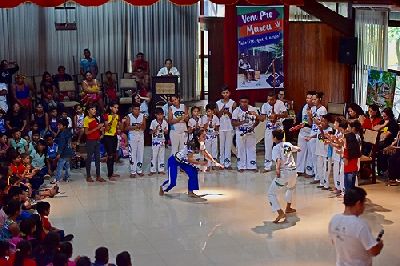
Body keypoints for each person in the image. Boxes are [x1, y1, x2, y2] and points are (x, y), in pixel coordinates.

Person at [159, 129, 223, 198]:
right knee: (172, 182)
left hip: (184, 162)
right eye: (203, 136)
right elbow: (190, 159)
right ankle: (163, 187)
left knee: (193, 172)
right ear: (198, 137)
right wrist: (200, 163)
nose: (205, 137)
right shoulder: (192, 144)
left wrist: (215, 162)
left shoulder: (201, 144)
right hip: (174, 160)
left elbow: (206, 154)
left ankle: (191, 191)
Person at [329, 187, 383, 265]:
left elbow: (334, 241)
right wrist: (380, 244)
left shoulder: (334, 220)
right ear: (358, 204)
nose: (364, 207)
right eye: (364, 203)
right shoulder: (360, 225)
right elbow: (373, 251)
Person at [267, 129, 300, 223]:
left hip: (284, 172)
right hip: (293, 171)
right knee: (291, 188)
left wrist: (277, 170)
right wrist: (298, 148)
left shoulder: (276, 148)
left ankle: (280, 212)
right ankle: (288, 208)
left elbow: (278, 160)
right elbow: (296, 148)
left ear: (275, 138)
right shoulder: (288, 144)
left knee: (271, 193)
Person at [258, 92, 288, 172]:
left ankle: (282, 165)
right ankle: (267, 166)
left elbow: (286, 114)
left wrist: (277, 115)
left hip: (278, 128)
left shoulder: (280, 103)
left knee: (281, 147)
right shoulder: (265, 105)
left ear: (275, 99)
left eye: (272, 99)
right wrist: (258, 116)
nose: (270, 101)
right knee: (268, 147)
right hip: (269, 128)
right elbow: (263, 118)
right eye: (268, 99)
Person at [232, 95, 259, 172]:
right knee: (240, 149)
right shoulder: (236, 111)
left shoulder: (253, 109)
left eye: (245, 102)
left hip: (250, 131)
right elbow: (233, 123)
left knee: (251, 148)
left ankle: (252, 165)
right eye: (242, 102)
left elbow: (257, 120)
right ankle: (241, 166)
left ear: (248, 102)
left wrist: (253, 126)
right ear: (239, 102)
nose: (244, 103)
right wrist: (243, 122)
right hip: (240, 131)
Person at [307, 92, 327, 184]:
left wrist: (313, 116)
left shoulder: (323, 110)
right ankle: (316, 174)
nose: (313, 101)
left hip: (318, 133)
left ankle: (319, 176)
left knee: (317, 156)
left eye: (315, 99)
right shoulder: (313, 108)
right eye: (312, 99)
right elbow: (311, 123)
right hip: (313, 131)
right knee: (312, 155)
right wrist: (309, 116)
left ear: (319, 99)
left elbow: (320, 123)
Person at [83, 105, 105, 183]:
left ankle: (98, 176)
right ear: (88, 111)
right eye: (92, 109)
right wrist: (97, 128)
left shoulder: (95, 119)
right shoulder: (86, 119)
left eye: (95, 109)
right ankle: (88, 176)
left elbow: (98, 129)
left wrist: (101, 131)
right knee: (89, 158)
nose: (94, 110)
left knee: (97, 159)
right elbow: (86, 132)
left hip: (97, 140)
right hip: (90, 141)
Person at [295, 91, 315, 176]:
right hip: (303, 131)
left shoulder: (315, 109)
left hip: (311, 133)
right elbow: (300, 118)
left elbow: (313, 123)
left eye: (310, 98)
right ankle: (299, 170)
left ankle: (309, 171)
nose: (308, 100)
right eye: (307, 98)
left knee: (310, 153)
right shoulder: (304, 106)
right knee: (300, 151)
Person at [216, 86, 236, 169]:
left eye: (227, 93)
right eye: (224, 93)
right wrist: (223, 109)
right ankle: (221, 163)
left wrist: (229, 113)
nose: (225, 94)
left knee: (228, 145)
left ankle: (228, 163)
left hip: (229, 127)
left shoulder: (233, 103)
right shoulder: (218, 103)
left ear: (229, 93)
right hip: (221, 127)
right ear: (221, 94)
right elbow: (218, 115)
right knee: (222, 145)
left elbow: (234, 116)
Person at [375, 108, 399, 175]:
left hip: (389, 142)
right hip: (379, 142)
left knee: (381, 151)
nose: (383, 117)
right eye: (382, 116)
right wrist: (383, 125)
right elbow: (374, 128)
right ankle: (379, 170)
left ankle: (384, 170)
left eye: (385, 116)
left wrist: (380, 130)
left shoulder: (393, 123)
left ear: (389, 115)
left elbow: (384, 135)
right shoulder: (383, 121)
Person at [126, 102, 146, 178]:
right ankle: (133, 171)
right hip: (132, 136)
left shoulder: (142, 116)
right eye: (135, 109)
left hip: (140, 135)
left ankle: (139, 170)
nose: (137, 111)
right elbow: (126, 128)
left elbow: (144, 128)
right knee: (132, 154)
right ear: (132, 109)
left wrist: (141, 126)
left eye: (138, 109)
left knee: (140, 153)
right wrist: (135, 127)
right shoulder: (129, 116)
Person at [313, 114, 333, 190]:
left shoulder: (330, 129)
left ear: (328, 122)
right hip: (319, 151)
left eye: (324, 121)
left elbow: (324, 138)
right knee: (319, 167)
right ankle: (321, 182)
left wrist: (321, 130)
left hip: (326, 153)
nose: (322, 122)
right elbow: (318, 136)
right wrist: (310, 137)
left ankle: (326, 184)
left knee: (326, 169)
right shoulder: (320, 128)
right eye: (321, 121)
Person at [103, 102, 120, 181]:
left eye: (117, 108)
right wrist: (112, 119)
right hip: (108, 137)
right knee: (109, 156)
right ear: (110, 108)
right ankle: (109, 175)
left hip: (114, 137)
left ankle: (112, 172)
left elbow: (118, 127)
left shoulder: (117, 116)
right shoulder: (106, 116)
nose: (116, 109)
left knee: (113, 155)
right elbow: (106, 128)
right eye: (115, 107)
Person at [149, 108, 168, 175]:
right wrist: (155, 129)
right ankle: (152, 170)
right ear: (155, 115)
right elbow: (150, 132)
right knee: (154, 156)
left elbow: (166, 132)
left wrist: (165, 131)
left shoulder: (165, 122)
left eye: (161, 115)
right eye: (158, 115)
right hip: (155, 142)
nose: (160, 116)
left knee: (161, 156)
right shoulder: (153, 122)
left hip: (162, 141)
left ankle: (161, 170)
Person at [54, 118, 73, 183]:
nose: (58, 126)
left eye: (59, 125)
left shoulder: (62, 134)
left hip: (63, 152)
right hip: (69, 151)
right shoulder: (69, 132)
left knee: (60, 166)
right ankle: (66, 178)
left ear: (64, 126)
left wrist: (59, 153)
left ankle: (57, 179)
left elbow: (61, 144)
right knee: (67, 166)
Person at [201, 103, 220, 170]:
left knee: (214, 150)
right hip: (207, 136)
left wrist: (215, 128)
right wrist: (208, 121)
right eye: (208, 111)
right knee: (208, 150)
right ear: (206, 111)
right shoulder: (204, 117)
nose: (210, 113)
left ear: (213, 111)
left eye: (211, 111)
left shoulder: (215, 117)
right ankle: (208, 165)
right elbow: (204, 127)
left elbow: (217, 127)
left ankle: (214, 164)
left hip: (214, 135)